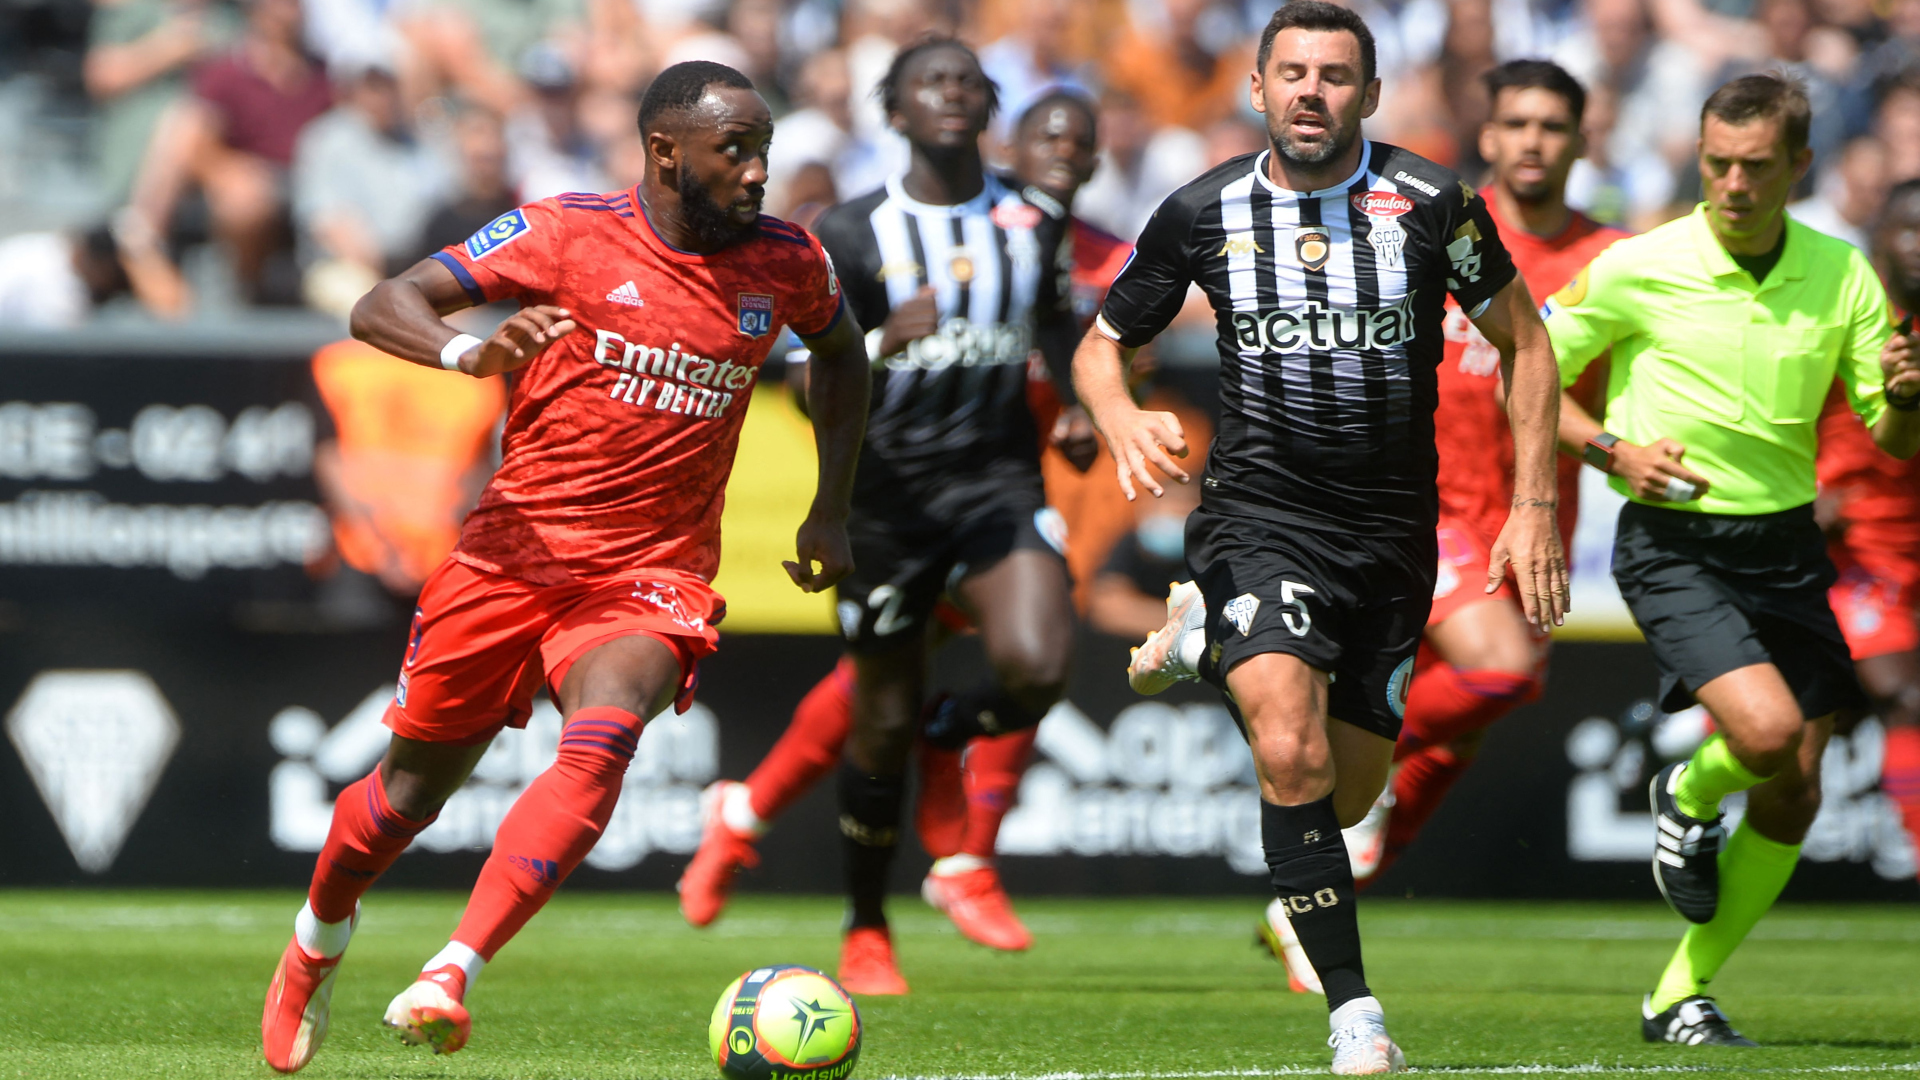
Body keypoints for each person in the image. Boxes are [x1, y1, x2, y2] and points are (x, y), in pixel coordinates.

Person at [257, 60, 869, 1073]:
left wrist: (831, 508)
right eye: (736, 150)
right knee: (405, 797)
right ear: (666, 151)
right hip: (511, 557)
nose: (760, 171)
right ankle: (316, 942)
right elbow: (381, 304)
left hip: (652, 572)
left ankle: (451, 972)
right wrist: (471, 356)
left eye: (763, 148)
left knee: (607, 729)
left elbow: (842, 355)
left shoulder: (789, 260)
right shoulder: (565, 233)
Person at [1087, 3, 1567, 1072]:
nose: (1313, 91)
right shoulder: (1202, 209)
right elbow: (1102, 342)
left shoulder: (1434, 203)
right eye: (1294, 73)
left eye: (1336, 75)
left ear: (1371, 94)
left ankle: (1205, 640)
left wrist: (1533, 506)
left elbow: (1527, 344)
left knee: (1347, 794)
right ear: (1258, 88)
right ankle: (1356, 1013)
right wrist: (1120, 415)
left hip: (1391, 534)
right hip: (1261, 519)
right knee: (1290, 751)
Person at [675, 69, 1097, 978]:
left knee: (1038, 664)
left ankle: (948, 747)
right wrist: (882, 342)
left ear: (990, 108)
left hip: (996, 487)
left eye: (967, 82)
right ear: (896, 112)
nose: (951, 94)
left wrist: (1077, 405)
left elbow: (1057, 327)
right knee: (875, 721)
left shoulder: (1032, 220)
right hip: (888, 503)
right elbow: (799, 382)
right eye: (930, 83)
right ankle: (866, 922)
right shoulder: (850, 230)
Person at [1543, 73, 1920, 1046]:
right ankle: (1688, 790)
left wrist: (1906, 398)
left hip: (1786, 546)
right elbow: (1530, 373)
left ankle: (1678, 994)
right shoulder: (1642, 263)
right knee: (1764, 735)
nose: (1735, 184)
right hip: (1674, 541)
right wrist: (1614, 451)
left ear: (1800, 164)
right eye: (1718, 164)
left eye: (1756, 166)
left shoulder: (1844, 275)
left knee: (1796, 785)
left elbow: (1893, 439)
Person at [1815, 179, 1920, 878]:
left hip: (1913, 549)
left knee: (1831, 716)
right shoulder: (1843, 319)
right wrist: (1808, 492)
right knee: (1903, 695)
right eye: (1908, 229)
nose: (1919, 246)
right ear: (1878, 239)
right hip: (1854, 550)